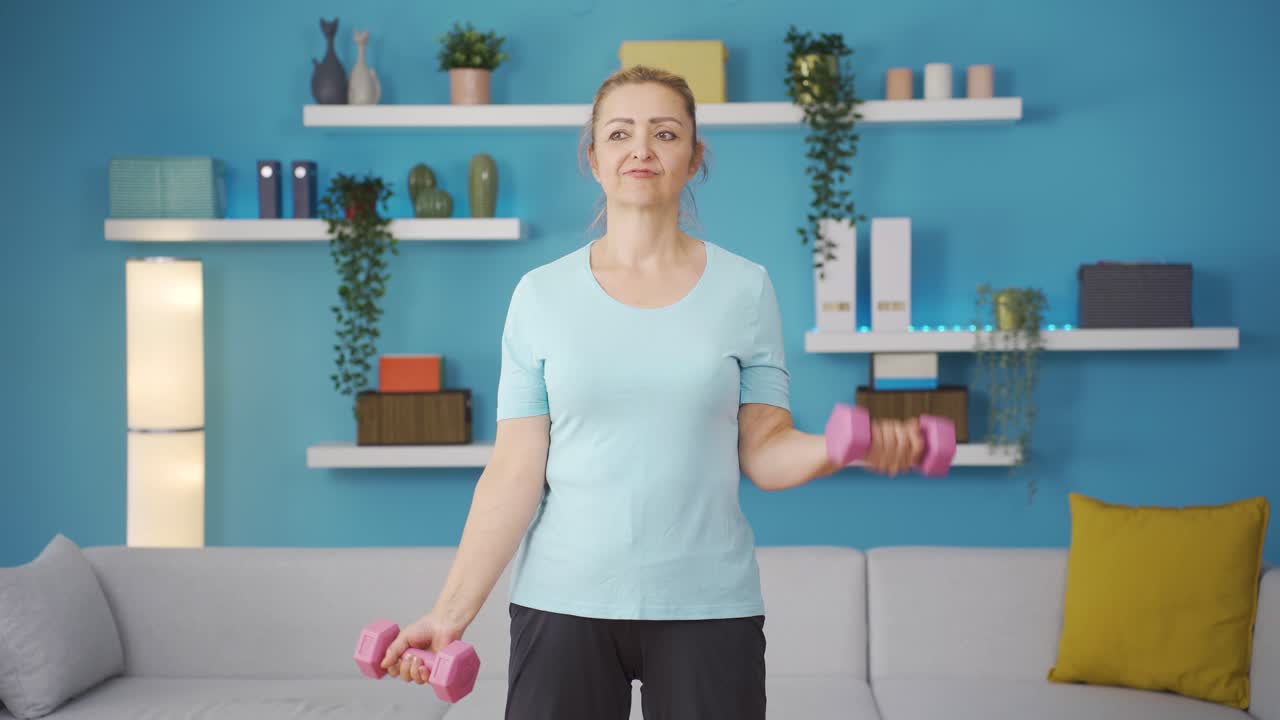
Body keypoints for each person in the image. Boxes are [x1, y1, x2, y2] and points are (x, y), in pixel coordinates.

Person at [379, 65, 923, 720]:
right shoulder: (540, 297)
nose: (641, 149)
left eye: (665, 133)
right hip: (563, 602)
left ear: (694, 157)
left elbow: (765, 451)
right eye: (619, 133)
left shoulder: (745, 289)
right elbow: (514, 472)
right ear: (594, 157)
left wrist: (845, 447)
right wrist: (449, 613)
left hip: (709, 605)